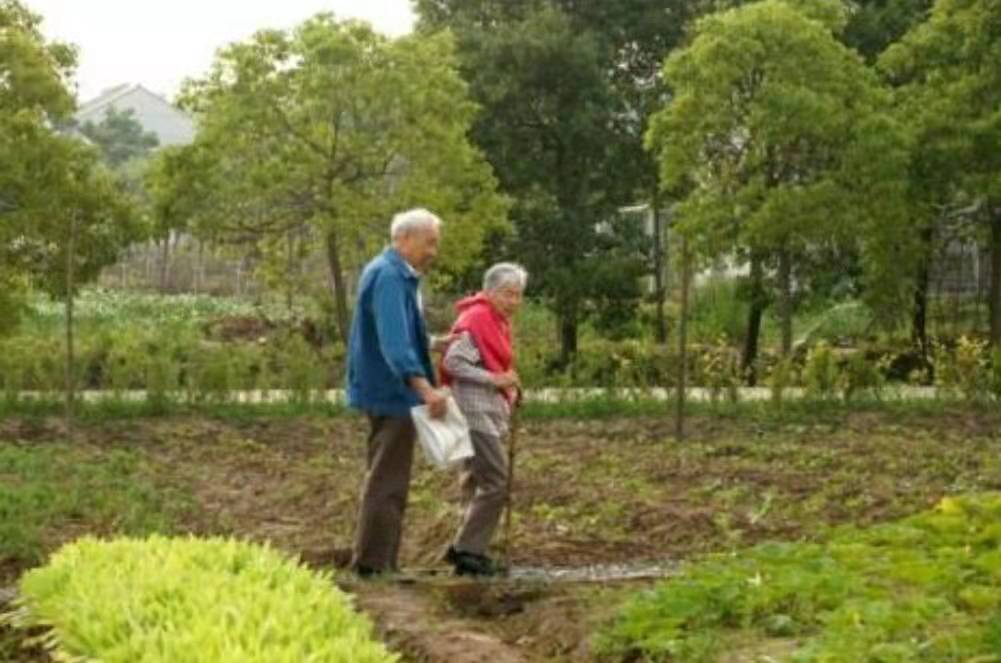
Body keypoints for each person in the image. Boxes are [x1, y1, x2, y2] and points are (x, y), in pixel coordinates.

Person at [346, 208, 450, 578]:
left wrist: (432, 343)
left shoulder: (392, 273)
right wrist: (425, 389)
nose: (433, 252)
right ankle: (374, 566)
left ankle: (380, 561)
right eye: (429, 243)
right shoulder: (390, 276)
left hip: (388, 389)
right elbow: (394, 343)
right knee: (387, 480)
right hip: (391, 393)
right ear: (404, 238)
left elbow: (400, 332)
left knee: (388, 475)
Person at [440, 262, 527, 576]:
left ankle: (468, 553)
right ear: (490, 292)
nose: (514, 301)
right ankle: (467, 550)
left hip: (484, 411)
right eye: (507, 294)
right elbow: (453, 362)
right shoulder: (477, 319)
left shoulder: (495, 321)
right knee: (496, 481)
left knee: (476, 481)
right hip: (473, 412)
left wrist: (507, 386)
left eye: (518, 295)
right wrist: (495, 379)